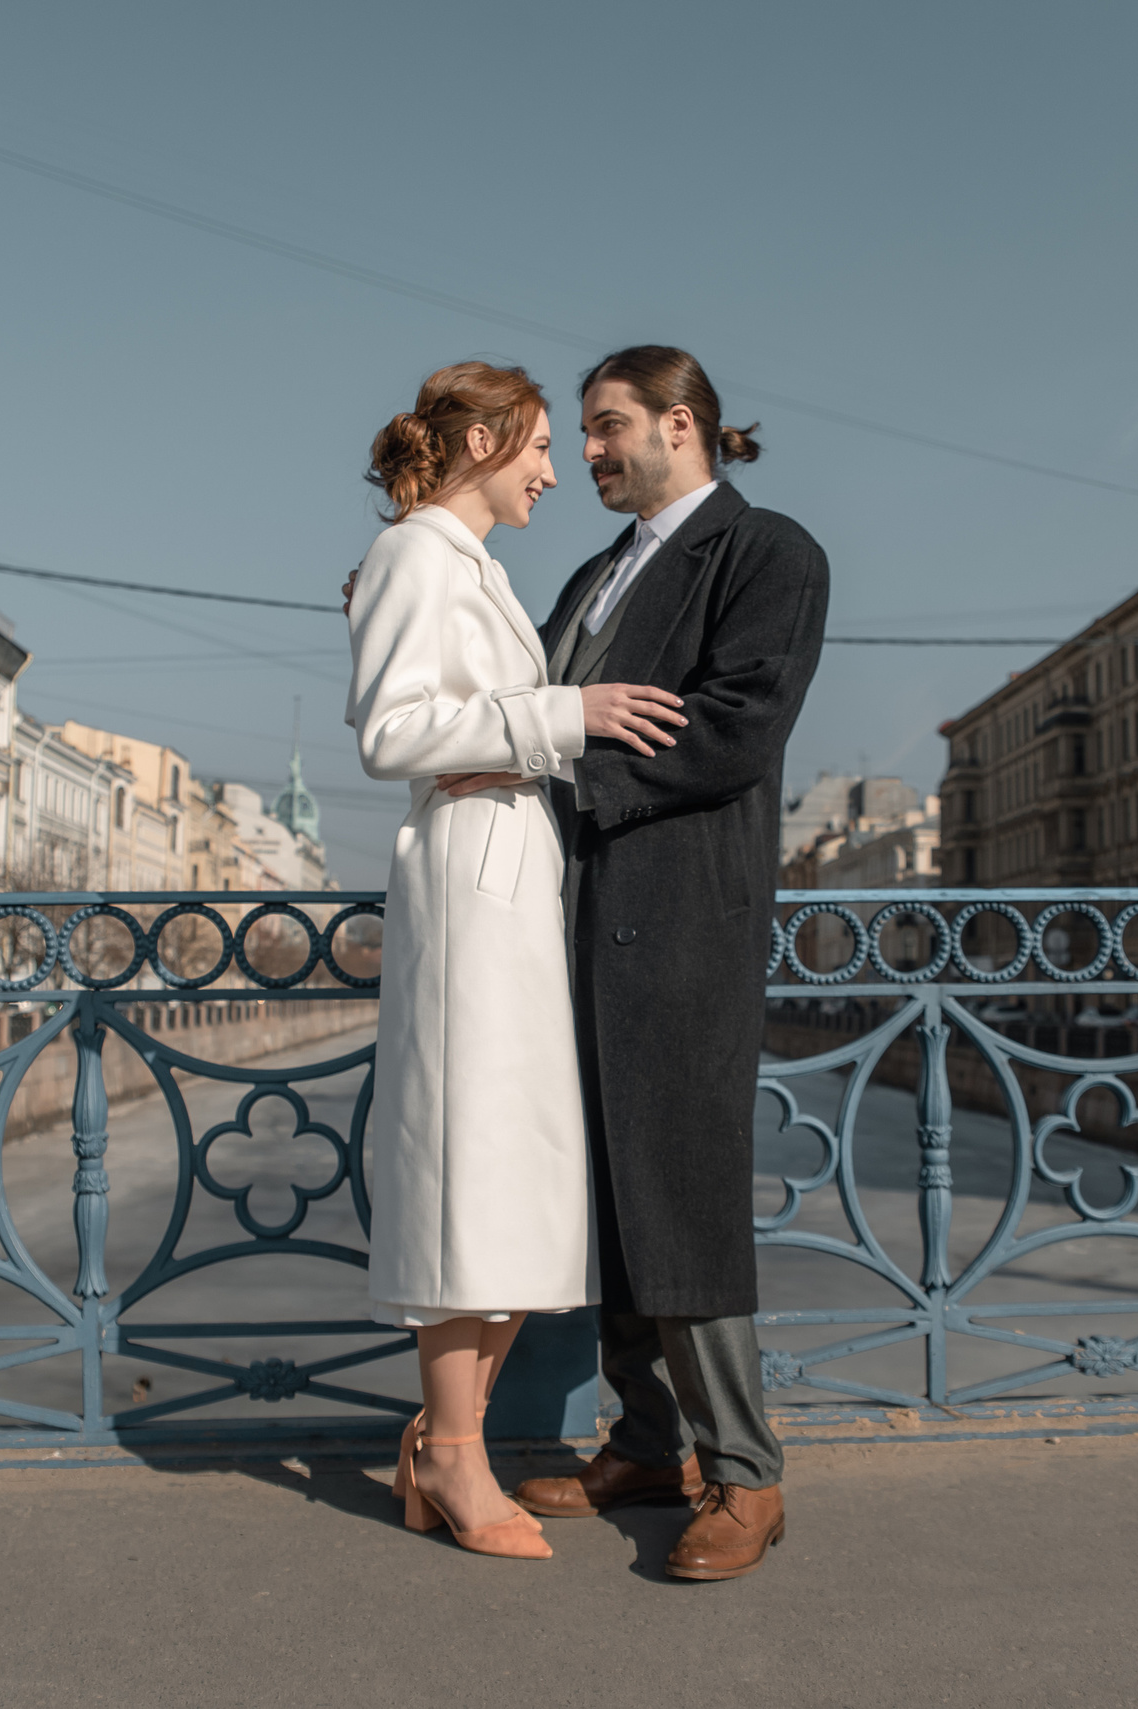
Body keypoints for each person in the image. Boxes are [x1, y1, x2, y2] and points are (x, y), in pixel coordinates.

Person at [451, 346, 828, 1581]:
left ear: (681, 423)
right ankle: (647, 1443)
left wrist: (574, 771)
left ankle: (746, 1472)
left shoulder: (765, 551)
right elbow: (532, 701)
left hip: (682, 923)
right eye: (584, 432)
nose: (589, 453)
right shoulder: (595, 572)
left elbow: (734, 727)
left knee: (680, 1188)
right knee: (607, 1193)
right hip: (571, 920)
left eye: (608, 427)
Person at [344, 360, 691, 1562]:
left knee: (509, 1171)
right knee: (467, 1169)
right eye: (541, 444)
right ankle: (453, 1451)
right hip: (468, 882)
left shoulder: (472, 566)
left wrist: (546, 726)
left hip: (510, 882)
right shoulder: (415, 554)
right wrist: (567, 714)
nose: (556, 469)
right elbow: (389, 731)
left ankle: (443, 1440)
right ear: (485, 442)